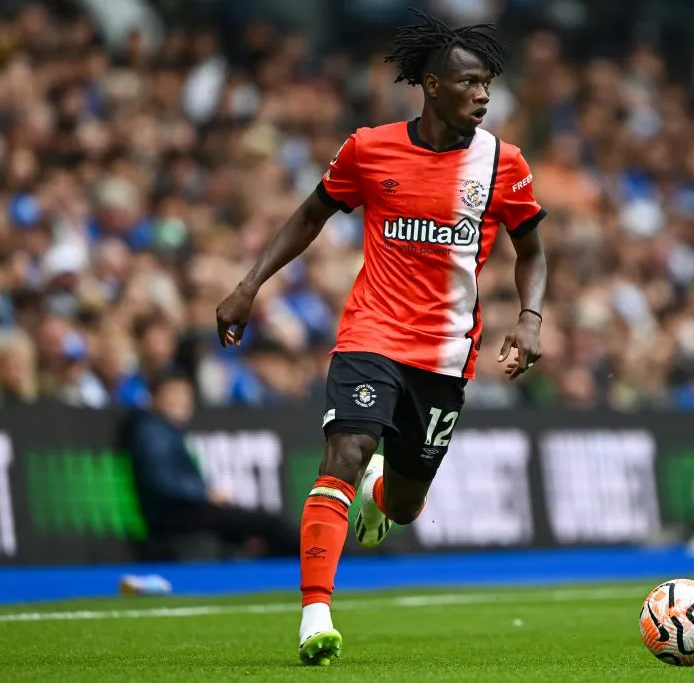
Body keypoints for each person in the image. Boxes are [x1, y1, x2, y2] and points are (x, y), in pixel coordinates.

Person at [215, 9, 547, 666]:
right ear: (430, 84)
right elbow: (311, 213)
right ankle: (315, 613)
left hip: (447, 354)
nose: (484, 95)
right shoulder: (369, 148)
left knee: (404, 500)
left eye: (489, 84)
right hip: (371, 332)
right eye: (471, 83)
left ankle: (379, 495)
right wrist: (250, 282)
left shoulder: (503, 165)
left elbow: (531, 249)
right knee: (345, 449)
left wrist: (531, 317)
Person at [119, 370, 300, 559]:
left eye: (185, 394)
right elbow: (162, 481)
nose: (181, 400)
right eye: (173, 393)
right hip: (175, 515)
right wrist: (205, 493)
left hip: (182, 510)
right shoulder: (151, 431)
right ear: (154, 398)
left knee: (255, 526)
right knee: (268, 522)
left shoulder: (163, 430)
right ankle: (317, 557)